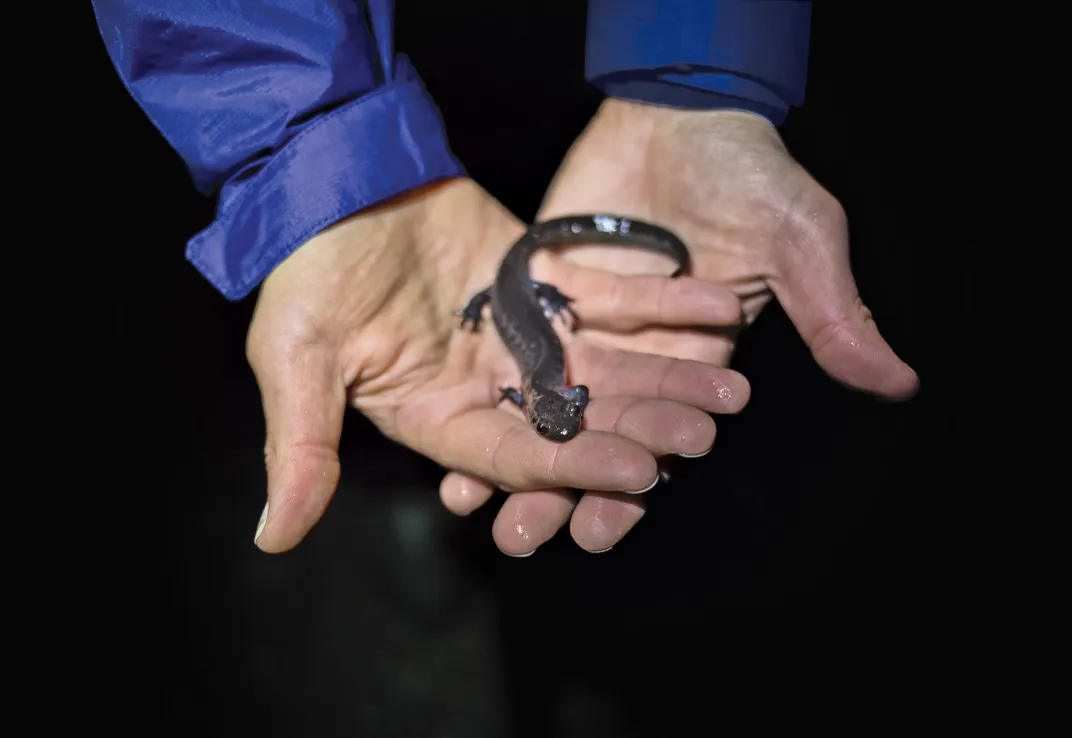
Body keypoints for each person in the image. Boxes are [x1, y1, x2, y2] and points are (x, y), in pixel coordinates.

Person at [94, 1, 918, 557]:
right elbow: (532, 386)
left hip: (519, 269)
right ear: (566, 401)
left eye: (555, 414)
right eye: (560, 415)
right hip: (511, 264)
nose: (557, 414)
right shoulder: (548, 390)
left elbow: (529, 388)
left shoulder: (541, 390)